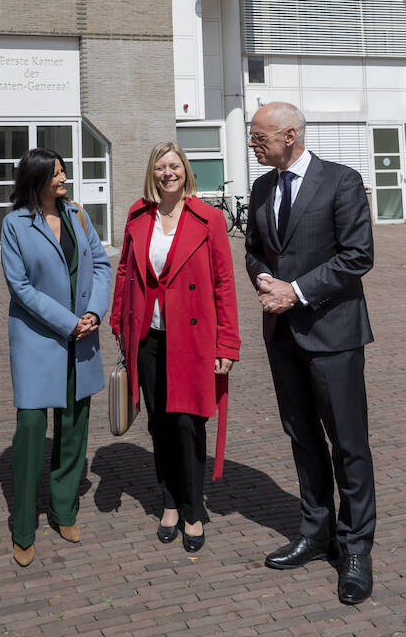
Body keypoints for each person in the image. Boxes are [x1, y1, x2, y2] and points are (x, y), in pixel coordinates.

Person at [245, 101, 376, 605]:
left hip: (333, 334)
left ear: (290, 135)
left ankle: (356, 547)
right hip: (282, 336)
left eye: (260, 137)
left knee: (348, 444)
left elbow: (357, 254)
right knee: (302, 437)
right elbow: (255, 247)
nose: (254, 145)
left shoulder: (341, 181)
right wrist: (264, 280)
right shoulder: (260, 188)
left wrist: (295, 291)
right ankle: (316, 530)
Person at [110, 142, 240, 553]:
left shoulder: (209, 219)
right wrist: (117, 320)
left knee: (188, 424)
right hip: (148, 337)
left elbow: (224, 284)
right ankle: (168, 501)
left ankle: (192, 507)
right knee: (158, 422)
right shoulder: (138, 215)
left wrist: (228, 343)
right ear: (153, 173)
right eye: (161, 167)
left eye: (175, 166)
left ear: (185, 170)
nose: (168, 173)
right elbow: (126, 271)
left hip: (193, 339)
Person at [1, 148, 111, 567]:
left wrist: (94, 312)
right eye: (57, 173)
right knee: (31, 428)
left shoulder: (78, 215)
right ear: (37, 179)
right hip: (37, 338)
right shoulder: (15, 224)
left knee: (74, 424)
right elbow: (20, 287)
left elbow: (101, 264)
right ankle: (23, 527)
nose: (64, 179)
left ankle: (64, 510)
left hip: (82, 335)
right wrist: (68, 321)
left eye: (64, 171)